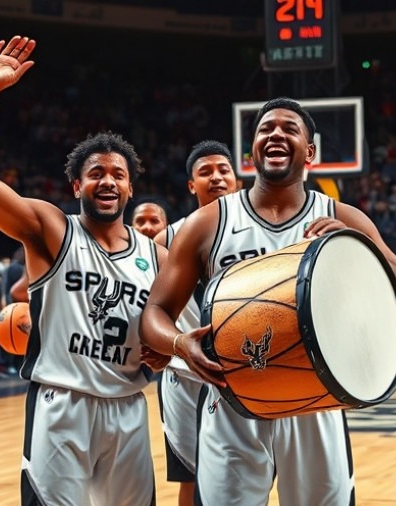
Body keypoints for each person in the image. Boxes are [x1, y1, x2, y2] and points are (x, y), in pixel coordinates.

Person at [140, 98, 396, 505]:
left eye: (289, 129)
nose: (275, 134)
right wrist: (179, 343)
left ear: (310, 152)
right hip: (233, 400)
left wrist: (360, 244)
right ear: (251, 151)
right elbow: (154, 313)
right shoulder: (209, 223)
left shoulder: (342, 216)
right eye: (265, 129)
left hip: (316, 402)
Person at [0, 35, 163, 505]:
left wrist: (167, 349)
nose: (107, 180)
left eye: (118, 174)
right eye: (96, 173)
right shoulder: (51, 228)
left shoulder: (156, 255)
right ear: (77, 185)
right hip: (62, 404)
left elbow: (170, 329)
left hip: (129, 407)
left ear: (130, 188)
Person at [151, 139, 238, 506]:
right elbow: (148, 307)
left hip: (242, 370)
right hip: (184, 374)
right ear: (191, 185)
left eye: (223, 170)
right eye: (205, 172)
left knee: (243, 472)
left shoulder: (256, 229)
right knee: (189, 475)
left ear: (236, 180)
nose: (215, 177)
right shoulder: (165, 239)